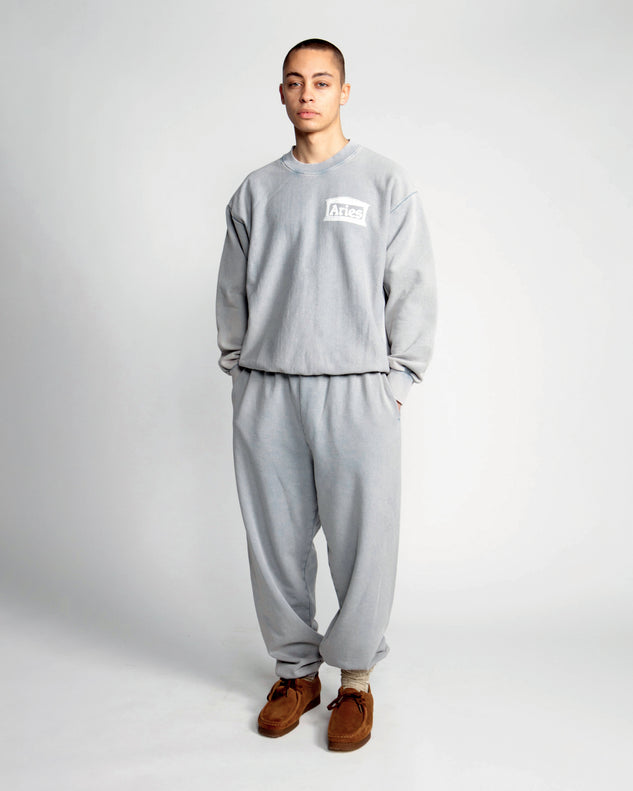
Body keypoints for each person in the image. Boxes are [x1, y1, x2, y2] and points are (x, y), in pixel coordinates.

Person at [215, 37, 437, 751]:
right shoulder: (256, 191)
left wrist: (397, 380)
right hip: (269, 390)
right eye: (294, 81)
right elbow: (232, 291)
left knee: (363, 542)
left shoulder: (382, 182)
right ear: (281, 93)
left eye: (320, 81)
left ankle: (356, 681)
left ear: (343, 92)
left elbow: (411, 286)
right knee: (275, 542)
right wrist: (242, 372)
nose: (306, 93)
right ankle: (295, 673)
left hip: (355, 391)